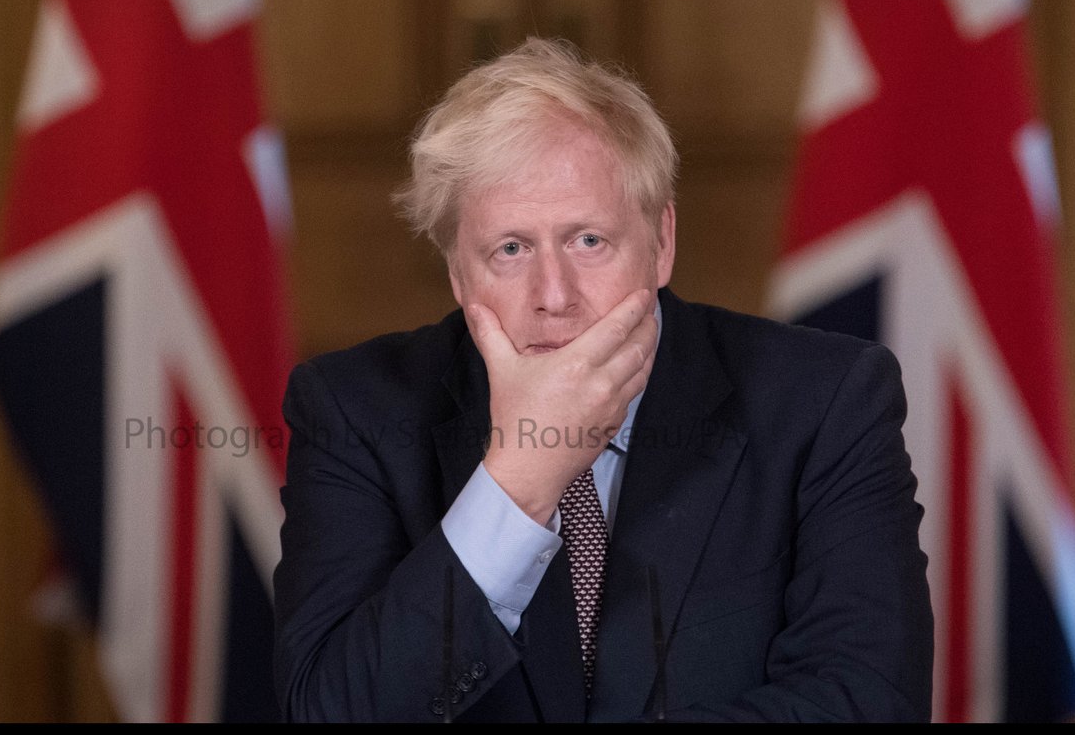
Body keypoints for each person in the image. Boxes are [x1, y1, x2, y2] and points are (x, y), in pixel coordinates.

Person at [273, 37, 933, 722]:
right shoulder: (354, 412)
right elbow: (328, 711)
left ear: (662, 242)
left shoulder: (825, 400)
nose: (553, 295)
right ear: (457, 275)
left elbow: (868, 701)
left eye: (588, 240)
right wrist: (516, 484)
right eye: (510, 249)